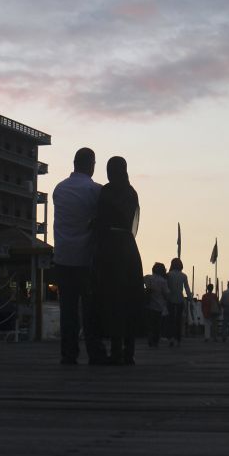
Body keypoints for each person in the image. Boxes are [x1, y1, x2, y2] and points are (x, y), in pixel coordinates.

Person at [52, 147, 107, 365]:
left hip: (63, 257)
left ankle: (68, 353)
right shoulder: (95, 190)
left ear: (74, 163)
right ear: (91, 164)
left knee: (68, 309)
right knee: (90, 308)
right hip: (86, 258)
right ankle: (94, 351)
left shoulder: (59, 189)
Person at [93, 156, 145, 365]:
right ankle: (129, 351)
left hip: (109, 249)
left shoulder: (106, 191)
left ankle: (115, 349)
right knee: (129, 297)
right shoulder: (132, 192)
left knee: (111, 299)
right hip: (129, 249)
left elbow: (100, 219)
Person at [165, 258, 193, 346]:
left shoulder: (168, 275)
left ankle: (170, 338)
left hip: (170, 299)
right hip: (180, 299)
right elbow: (187, 288)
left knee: (170, 320)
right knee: (178, 320)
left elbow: (166, 288)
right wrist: (191, 299)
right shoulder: (184, 276)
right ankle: (178, 338)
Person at [144, 262, 170, 347]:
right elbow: (166, 294)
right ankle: (155, 340)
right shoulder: (163, 281)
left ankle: (150, 337)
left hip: (149, 304)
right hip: (159, 306)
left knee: (150, 323)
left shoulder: (148, 278)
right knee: (157, 324)